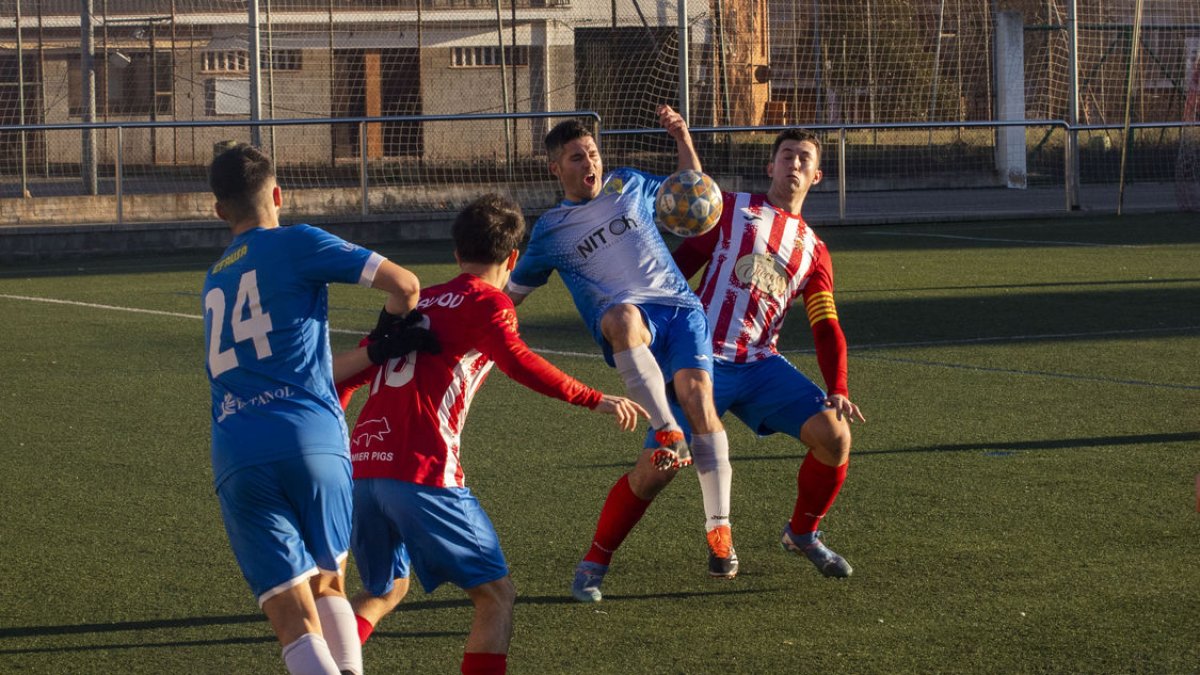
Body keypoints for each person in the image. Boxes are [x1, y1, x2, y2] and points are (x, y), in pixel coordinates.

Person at [333, 193, 647, 675]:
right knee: (496, 595)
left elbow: (349, 375)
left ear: (457, 253)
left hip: (363, 471)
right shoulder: (488, 302)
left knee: (385, 589)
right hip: (423, 473)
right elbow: (518, 361)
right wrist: (592, 397)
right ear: (512, 259)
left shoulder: (417, 300)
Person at [202, 143, 430, 675]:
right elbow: (406, 285)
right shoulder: (298, 241)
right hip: (313, 440)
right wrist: (390, 327)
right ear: (278, 195)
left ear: (219, 210)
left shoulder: (214, 276)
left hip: (238, 450)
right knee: (329, 586)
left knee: (293, 619)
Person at [505, 106, 736, 604]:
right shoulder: (551, 230)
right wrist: (471, 320)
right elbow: (511, 296)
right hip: (632, 321)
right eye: (576, 157)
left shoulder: (628, 183)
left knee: (699, 402)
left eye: (592, 153)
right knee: (622, 319)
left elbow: (691, 190)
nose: (589, 162)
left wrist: (682, 136)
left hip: (680, 311)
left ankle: (719, 529)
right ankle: (665, 427)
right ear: (556, 168)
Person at [670, 128, 866, 578]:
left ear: (817, 175)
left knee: (835, 435)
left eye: (804, 158)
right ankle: (596, 560)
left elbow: (826, 325)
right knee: (658, 465)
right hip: (701, 360)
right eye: (787, 155)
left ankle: (803, 533)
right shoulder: (730, 209)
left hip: (759, 364)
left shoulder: (814, 250)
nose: (794, 163)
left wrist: (838, 386)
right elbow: (677, 272)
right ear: (770, 166)